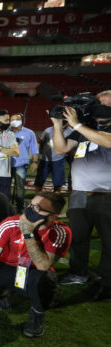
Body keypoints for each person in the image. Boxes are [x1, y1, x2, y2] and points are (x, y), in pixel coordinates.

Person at [0, 192, 71, 338]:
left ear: (53, 216)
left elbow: (43, 265)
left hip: (33, 273)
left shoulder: (60, 231)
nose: (31, 210)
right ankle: (11, 293)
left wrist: (27, 233)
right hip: (8, 268)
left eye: (38, 208)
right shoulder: (11, 222)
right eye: (31, 205)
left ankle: (37, 314)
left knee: (45, 280)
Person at [52, 99, 111, 300]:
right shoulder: (84, 129)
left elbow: (108, 141)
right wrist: (57, 125)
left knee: (109, 240)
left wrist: (77, 124)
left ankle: (107, 281)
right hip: (79, 194)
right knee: (78, 237)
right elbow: (61, 148)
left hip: (106, 195)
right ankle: (78, 272)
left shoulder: (90, 128)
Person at [10, 113, 39, 212]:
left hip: (21, 164)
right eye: (11, 119)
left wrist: (35, 162)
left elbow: (34, 149)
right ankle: (6, 207)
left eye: (16, 119)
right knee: (5, 187)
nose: (13, 121)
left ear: (21, 120)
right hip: (6, 164)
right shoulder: (7, 132)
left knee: (20, 187)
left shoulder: (29, 133)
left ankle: (19, 207)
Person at [35, 124, 72, 194]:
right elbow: (42, 143)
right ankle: (36, 199)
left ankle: (56, 201)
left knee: (58, 184)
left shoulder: (71, 131)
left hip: (59, 160)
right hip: (45, 160)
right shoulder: (48, 130)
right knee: (39, 182)